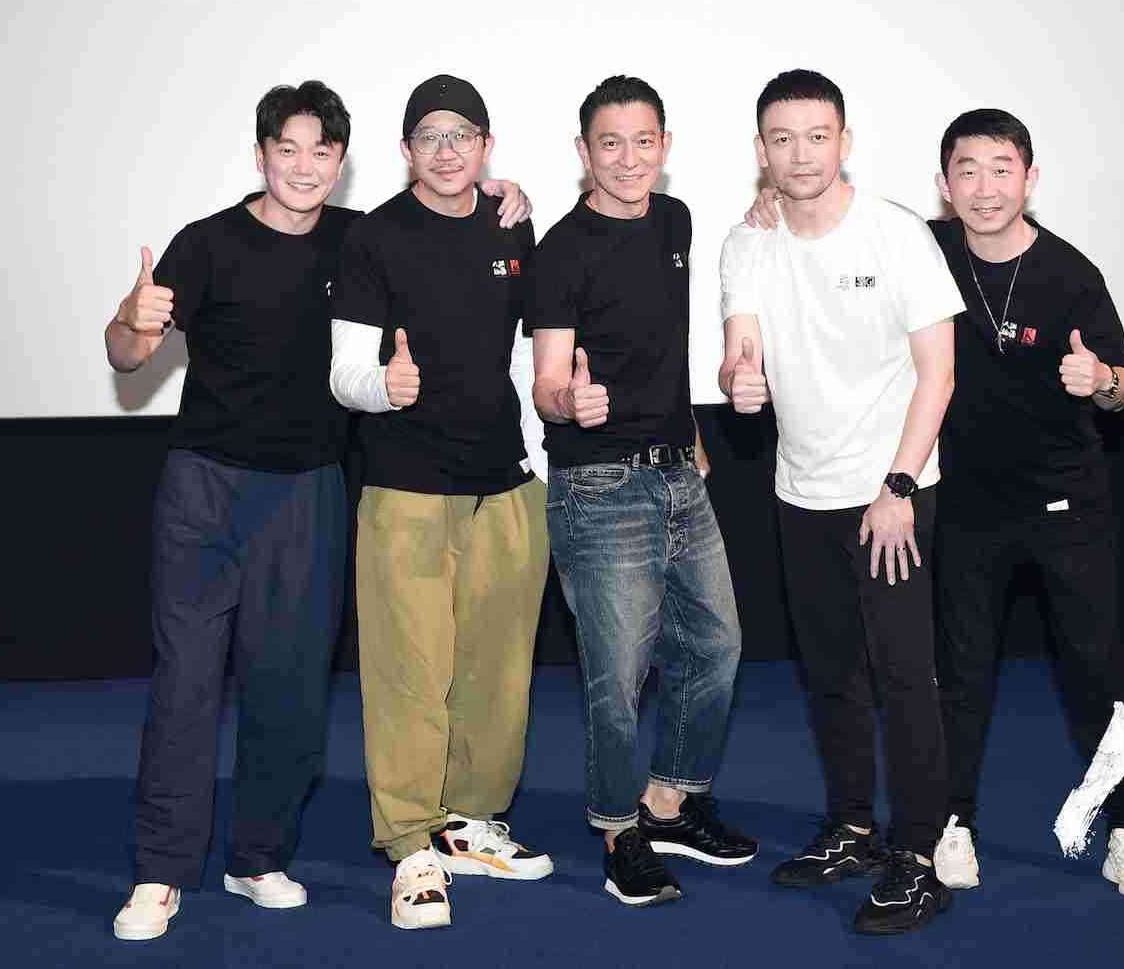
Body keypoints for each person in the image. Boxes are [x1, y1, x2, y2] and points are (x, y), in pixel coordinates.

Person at [103, 81, 359, 942]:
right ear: (260, 155)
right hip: (204, 489)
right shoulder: (206, 243)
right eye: (287, 149)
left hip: (308, 491)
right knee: (185, 681)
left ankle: (257, 857)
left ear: (340, 161)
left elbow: (448, 232)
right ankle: (159, 870)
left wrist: (509, 197)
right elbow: (128, 354)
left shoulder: (361, 242)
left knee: (291, 687)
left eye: (321, 151)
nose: (303, 167)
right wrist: (130, 319)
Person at [718, 69, 963, 936]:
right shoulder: (746, 243)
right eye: (783, 139)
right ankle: (854, 827)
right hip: (801, 492)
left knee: (905, 679)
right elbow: (740, 349)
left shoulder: (897, 234)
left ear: (844, 141)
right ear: (761, 150)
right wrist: (738, 379)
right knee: (830, 676)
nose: (801, 154)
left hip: (891, 494)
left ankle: (919, 856)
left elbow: (939, 373)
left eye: (817, 136)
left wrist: (899, 486)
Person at [921, 108, 1124, 898]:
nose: (985, 187)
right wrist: (770, 203)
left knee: (1100, 671)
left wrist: (1099, 380)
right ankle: (952, 822)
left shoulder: (1071, 274)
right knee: (961, 674)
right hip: (968, 502)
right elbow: (837, 229)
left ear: (1030, 178)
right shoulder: (926, 254)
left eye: (1002, 169)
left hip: (1067, 503)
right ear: (944, 183)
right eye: (967, 170)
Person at [328, 74, 553, 931]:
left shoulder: (512, 223)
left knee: (498, 675)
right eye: (430, 135)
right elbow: (345, 373)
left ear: (487, 145)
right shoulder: (375, 237)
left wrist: (537, 460)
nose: (448, 149)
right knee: (410, 674)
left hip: (506, 486)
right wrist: (383, 387)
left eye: (463, 134)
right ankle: (411, 843)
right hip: (406, 488)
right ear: (405, 151)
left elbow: (533, 350)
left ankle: (468, 820)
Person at [527, 76, 755, 910]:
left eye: (644, 141)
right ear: (583, 152)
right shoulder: (561, 250)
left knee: (717, 645)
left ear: (666, 144)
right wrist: (569, 400)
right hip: (598, 485)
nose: (629, 159)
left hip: (678, 474)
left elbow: (666, 342)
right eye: (610, 143)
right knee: (617, 676)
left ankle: (668, 802)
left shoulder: (676, 221)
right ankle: (619, 830)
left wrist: (689, 440)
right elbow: (547, 380)